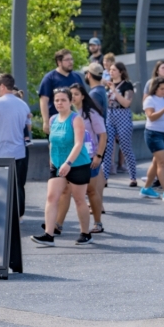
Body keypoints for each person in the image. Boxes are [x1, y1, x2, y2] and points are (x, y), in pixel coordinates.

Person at [33, 88, 93, 247]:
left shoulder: (76, 119)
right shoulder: (53, 119)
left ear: (70, 101)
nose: (59, 103)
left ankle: (85, 233)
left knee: (79, 200)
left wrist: (68, 163)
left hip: (77, 164)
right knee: (52, 198)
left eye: (63, 100)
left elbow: (79, 144)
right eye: (57, 100)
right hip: (57, 165)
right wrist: (52, 160)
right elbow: (52, 142)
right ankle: (49, 234)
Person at [0, 73, 32, 217]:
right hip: (19, 151)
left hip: (0, 151)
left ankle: (1, 215)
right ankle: (18, 215)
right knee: (18, 186)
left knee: (0, 185)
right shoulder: (23, 104)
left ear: (2, 86)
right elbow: (28, 128)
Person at [69, 83, 111, 230]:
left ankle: (98, 223)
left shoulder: (91, 113)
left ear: (83, 96)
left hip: (90, 157)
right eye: (71, 94)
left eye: (76, 94)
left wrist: (98, 156)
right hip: (72, 159)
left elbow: (103, 135)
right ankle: (58, 225)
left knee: (92, 191)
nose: (73, 97)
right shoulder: (68, 113)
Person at [141, 78, 164, 202]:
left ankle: (146, 189)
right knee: (162, 163)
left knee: (156, 162)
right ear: (155, 88)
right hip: (153, 133)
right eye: (162, 88)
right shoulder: (150, 100)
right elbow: (151, 117)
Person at [103, 62, 137, 186]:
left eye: (114, 70)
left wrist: (114, 91)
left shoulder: (127, 85)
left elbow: (126, 103)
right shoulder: (107, 85)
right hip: (110, 115)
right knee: (107, 147)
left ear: (121, 72)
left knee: (125, 147)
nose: (111, 72)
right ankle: (104, 178)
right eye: (110, 70)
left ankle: (133, 177)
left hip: (122, 115)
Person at [38, 49, 86, 131]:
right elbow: (43, 101)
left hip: (75, 120)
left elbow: (83, 98)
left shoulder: (77, 77)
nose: (71, 62)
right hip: (57, 122)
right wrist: (45, 122)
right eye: (67, 60)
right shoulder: (49, 78)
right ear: (59, 62)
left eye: (71, 59)